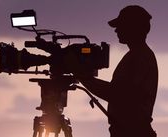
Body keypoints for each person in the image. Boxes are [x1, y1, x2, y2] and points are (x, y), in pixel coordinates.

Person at [64, 5, 158, 137]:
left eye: (120, 25)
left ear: (133, 27)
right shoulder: (139, 55)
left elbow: (117, 94)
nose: (116, 30)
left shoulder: (139, 57)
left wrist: (79, 73)